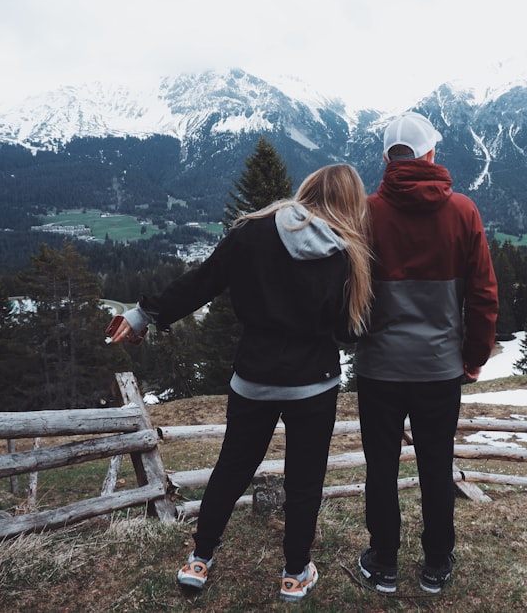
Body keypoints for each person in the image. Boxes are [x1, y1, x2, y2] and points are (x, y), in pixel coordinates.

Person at [106, 163, 373, 603]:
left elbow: (201, 283)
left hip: (253, 378)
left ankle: (200, 559)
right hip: (313, 385)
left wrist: (141, 314)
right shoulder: (346, 253)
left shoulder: (252, 231)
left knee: (232, 468)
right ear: (350, 204)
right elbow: (348, 333)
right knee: (304, 479)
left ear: (306, 190)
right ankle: (294, 574)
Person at [353, 112, 498, 594]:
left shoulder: (366, 213)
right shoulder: (463, 212)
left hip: (379, 370)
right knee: (436, 463)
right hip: (439, 369)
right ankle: (437, 563)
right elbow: (482, 294)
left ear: (387, 158)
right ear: (431, 154)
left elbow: (348, 293)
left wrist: (351, 340)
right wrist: (474, 355)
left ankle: (384, 561)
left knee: (382, 467)